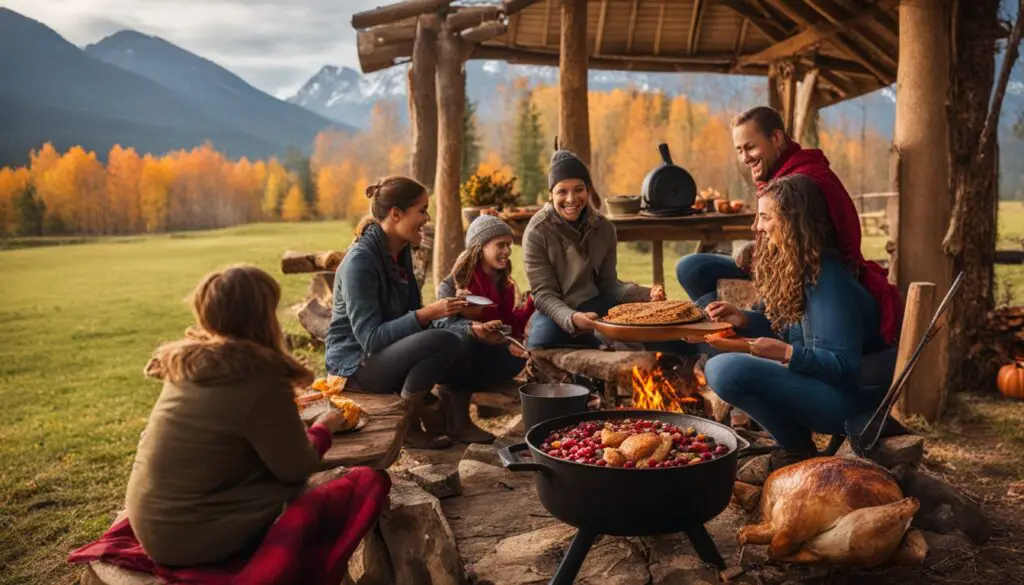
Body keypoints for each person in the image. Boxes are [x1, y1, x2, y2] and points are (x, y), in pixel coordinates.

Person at [112, 265, 391, 577]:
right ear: (262, 318)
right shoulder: (258, 379)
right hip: (192, 542)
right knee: (360, 483)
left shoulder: (190, 365)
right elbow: (296, 467)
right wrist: (324, 428)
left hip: (152, 526)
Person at [703, 175, 897, 461]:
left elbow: (844, 366)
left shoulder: (828, 278)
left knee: (725, 370)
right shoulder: (803, 267)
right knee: (717, 359)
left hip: (850, 402)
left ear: (793, 222)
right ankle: (795, 446)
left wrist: (787, 354)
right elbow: (797, 333)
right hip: (824, 385)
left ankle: (794, 446)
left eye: (766, 217)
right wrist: (743, 319)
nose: (757, 227)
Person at [675, 105, 903, 346]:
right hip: (773, 265)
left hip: (802, 276)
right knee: (692, 267)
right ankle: (718, 328)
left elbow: (808, 252)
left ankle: (727, 342)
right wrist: (757, 250)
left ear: (776, 138)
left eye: (751, 147)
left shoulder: (804, 184)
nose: (745, 158)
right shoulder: (775, 176)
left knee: (708, 316)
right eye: (740, 150)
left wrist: (765, 270)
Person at [324, 176, 496, 449]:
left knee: (462, 339)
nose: (426, 218)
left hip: (383, 354)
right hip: (354, 366)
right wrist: (429, 314)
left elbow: (413, 321)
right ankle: (408, 425)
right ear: (395, 214)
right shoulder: (360, 262)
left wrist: (467, 326)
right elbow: (371, 339)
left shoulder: (400, 252)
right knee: (443, 341)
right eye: (421, 210)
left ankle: (456, 423)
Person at [523, 148, 666, 349]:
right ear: (551, 194)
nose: (571, 199)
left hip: (596, 300)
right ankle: (594, 340)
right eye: (562, 191)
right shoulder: (537, 232)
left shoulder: (604, 228)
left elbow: (609, 285)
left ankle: (601, 341)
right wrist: (571, 318)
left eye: (579, 189)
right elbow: (544, 295)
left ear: (588, 190)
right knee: (541, 341)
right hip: (558, 308)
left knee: (650, 323)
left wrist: (646, 294)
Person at [435, 215, 535, 442]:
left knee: (517, 358)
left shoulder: (504, 284)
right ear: (480, 247)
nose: (507, 251)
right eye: (500, 245)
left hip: (490, 352)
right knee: (463, 343)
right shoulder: (454, 283)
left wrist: (530, 306)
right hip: (459, 352)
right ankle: (457, 423)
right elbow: (442, 326)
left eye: (509, 245)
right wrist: (473, 327)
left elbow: (510, 325)